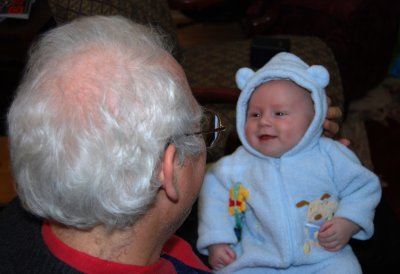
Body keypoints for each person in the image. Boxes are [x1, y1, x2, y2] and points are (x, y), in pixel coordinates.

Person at [0, 15, 343, 273]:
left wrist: (293, 150)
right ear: (168, 169)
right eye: (201, 126)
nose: (207, 139)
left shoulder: (22, 216)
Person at [196, 52, 382, 273]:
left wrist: (348, 222)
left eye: (280, 113)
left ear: (315, 118)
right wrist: (218, 240)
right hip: (257, 258)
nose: (264, 121)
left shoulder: (331, 155)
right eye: (254, 114)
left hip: (323, 256)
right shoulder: (235, 165)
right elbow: (213, 196)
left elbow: (363, 188)